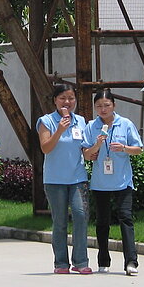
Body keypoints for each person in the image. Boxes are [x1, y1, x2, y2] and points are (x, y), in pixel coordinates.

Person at [82, 90, 143, 276]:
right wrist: (97, 145)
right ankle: (103, 260)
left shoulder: (125, 124)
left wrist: (124, 148)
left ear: (114, 105)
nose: (103, 109)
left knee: (125, 218)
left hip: (123, 182)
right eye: (99, 106)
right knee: (102, 222)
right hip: (100, 183)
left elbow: (138, 149)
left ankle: (131, 262)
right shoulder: (91, 126)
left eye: (106, 105)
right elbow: (86, 154)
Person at [37, 83, 91, 274]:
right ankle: (61, 263)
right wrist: (59, 130)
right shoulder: (46, 121)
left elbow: (84, 147)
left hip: (77, 177)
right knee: (59, 221)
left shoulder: (81, 121)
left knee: (81, 215)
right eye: (62, 99)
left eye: (71, 98)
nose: (67, 102)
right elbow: (45, 148)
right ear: (55, 101)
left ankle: (81, 261)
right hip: (55, 180)